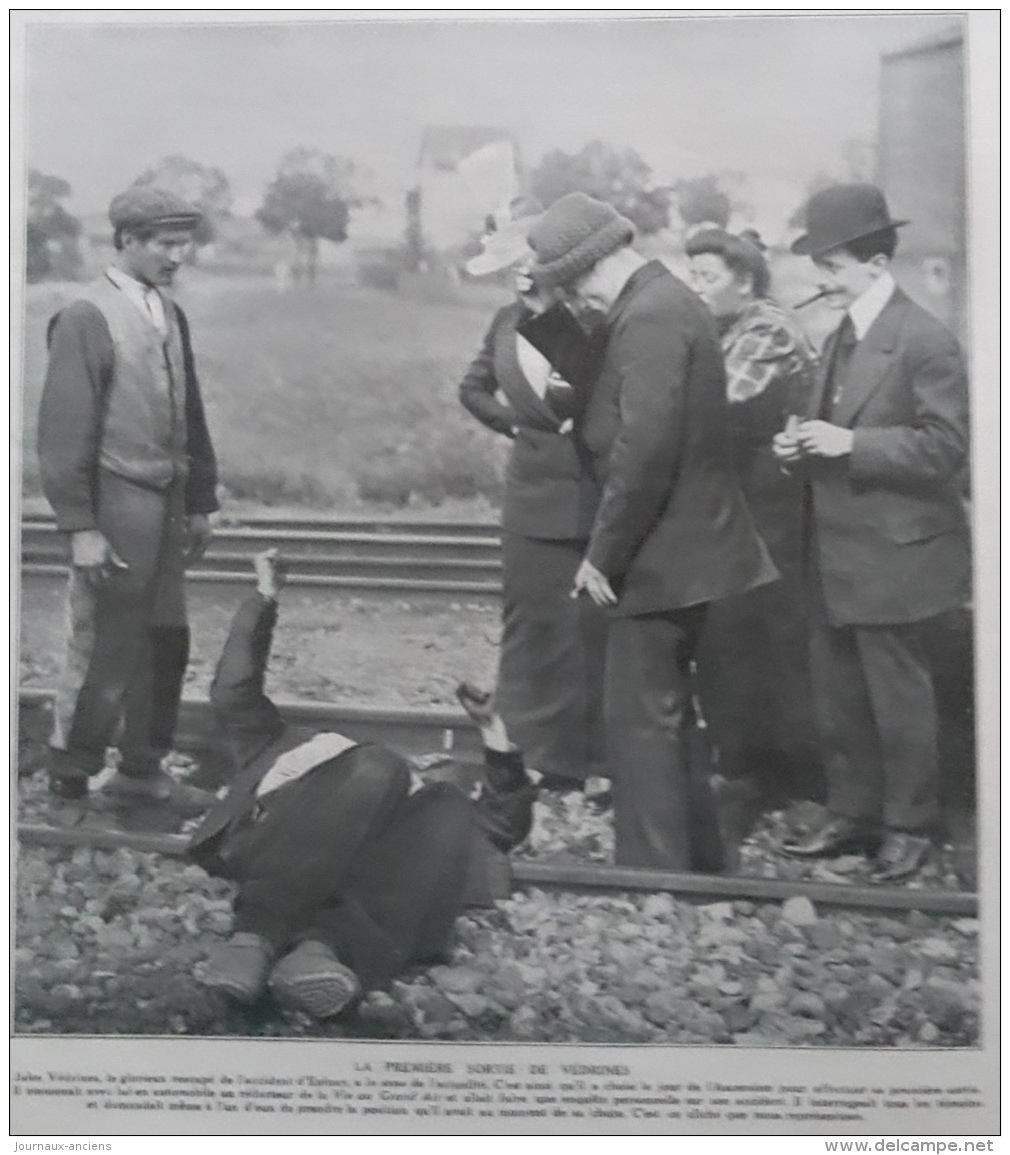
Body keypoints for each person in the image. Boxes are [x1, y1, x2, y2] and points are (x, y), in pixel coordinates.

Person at [526, 192, 778, 872]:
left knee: (640, 720)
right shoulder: (653, 303)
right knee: (663, 713)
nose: (576, 296)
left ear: (599, 262)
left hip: (663, 553)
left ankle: (653, 876)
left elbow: (645, 447)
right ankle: (694, 862)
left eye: (574, 281)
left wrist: (602, 557)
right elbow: (589, 380)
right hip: (680, 547)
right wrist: (542, 305)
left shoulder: (652, 316)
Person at [191, 551, 537, 1019]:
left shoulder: (414, 813)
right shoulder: (284, 744)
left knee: (449, 806)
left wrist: (494, 729)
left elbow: (500, 823)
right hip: (274, 851)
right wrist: (264, 596)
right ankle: (256, 937)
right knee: (380, 766)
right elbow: (232, 690)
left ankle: (318, 955)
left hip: (359, 891)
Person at [773, 183, 971, 882]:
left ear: (876, 263)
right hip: (836, 551)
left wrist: (849, 444)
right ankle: (852, 813)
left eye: (831, 266)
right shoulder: (844, 335)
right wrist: (800, 444)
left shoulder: (925, 340)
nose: (819, 280)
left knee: (899, 697)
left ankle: (911, 826)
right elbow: (837, 425)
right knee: (839, 693)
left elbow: (948, 449)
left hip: (895, 558)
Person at [37, 186, 219, 813]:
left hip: (165, 507)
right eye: (167, 244)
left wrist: (200, 500)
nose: (180, 255)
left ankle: (143, 768)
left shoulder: (170, 314)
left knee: (167, 638)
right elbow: (63, 435)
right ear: (127, 242)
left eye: (184, 242)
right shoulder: (86, 316)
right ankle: (71, 769)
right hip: (115, 504)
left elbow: (189, 414)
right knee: (105, 643)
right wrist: (81, 526)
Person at [459, 198, 607, 789]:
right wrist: (516, 425)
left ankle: (589, 760)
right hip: (531, 497)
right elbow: (472, 388)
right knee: (530, 628)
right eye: (512, 268)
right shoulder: (502, 322)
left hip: (594, 495)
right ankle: (523, 755)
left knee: (588, 632)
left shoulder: (587, 321)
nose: (521, 278)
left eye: (530, 264)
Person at [686, 228, 823, 836]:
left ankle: (793, 785)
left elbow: (720, 402)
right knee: (732, 642)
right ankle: (749, 775)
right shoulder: (727, 330)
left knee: (769, 645)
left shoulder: (767, 330)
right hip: (742, 512)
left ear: (745, 280)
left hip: (773, 516)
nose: (696, 288)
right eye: (691, 276)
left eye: (707, 277)